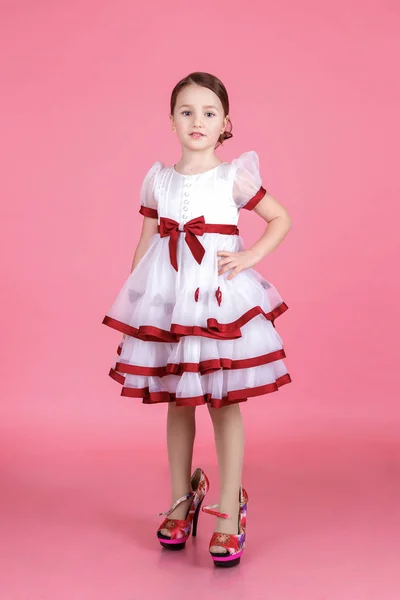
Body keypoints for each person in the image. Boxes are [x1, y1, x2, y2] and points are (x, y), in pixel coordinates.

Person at [102, 71, 292, 567]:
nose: (197, 121)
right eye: (186, 112)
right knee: (178, 401)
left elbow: (280, 218)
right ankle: (182, 499)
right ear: (170, 121)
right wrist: (139, 300)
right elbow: (146, 243)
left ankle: (228, 508)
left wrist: (249, 258)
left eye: (209, 113)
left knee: (222, 400)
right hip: (170, 305)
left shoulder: (233, 176)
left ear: (226, 123)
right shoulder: (158, 179)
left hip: (215, 303)